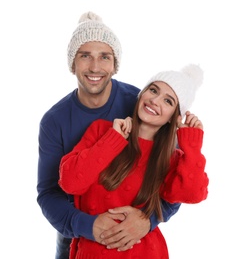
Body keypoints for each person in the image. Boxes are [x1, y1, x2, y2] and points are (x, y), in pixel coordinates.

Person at [36, 11, 181, 259]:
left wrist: (148, 220)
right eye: (85, 56)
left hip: (134, 231)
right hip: (76, 228)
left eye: (105, 57)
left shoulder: (141, 105)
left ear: (115, 64)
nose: (95, 67)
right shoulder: (54, 121)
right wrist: (88, 226)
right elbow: (49, 193)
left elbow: (172, 179)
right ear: (73, 63)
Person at [59, 63, 209, 258]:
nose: (155, 100)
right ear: (142, 93)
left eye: (168, 101)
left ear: (175, 117)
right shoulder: (102, 132)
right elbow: (70, 182)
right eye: (153, 90)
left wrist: (192, 146)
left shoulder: (172, 159)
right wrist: (113, 141)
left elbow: (192, 194)